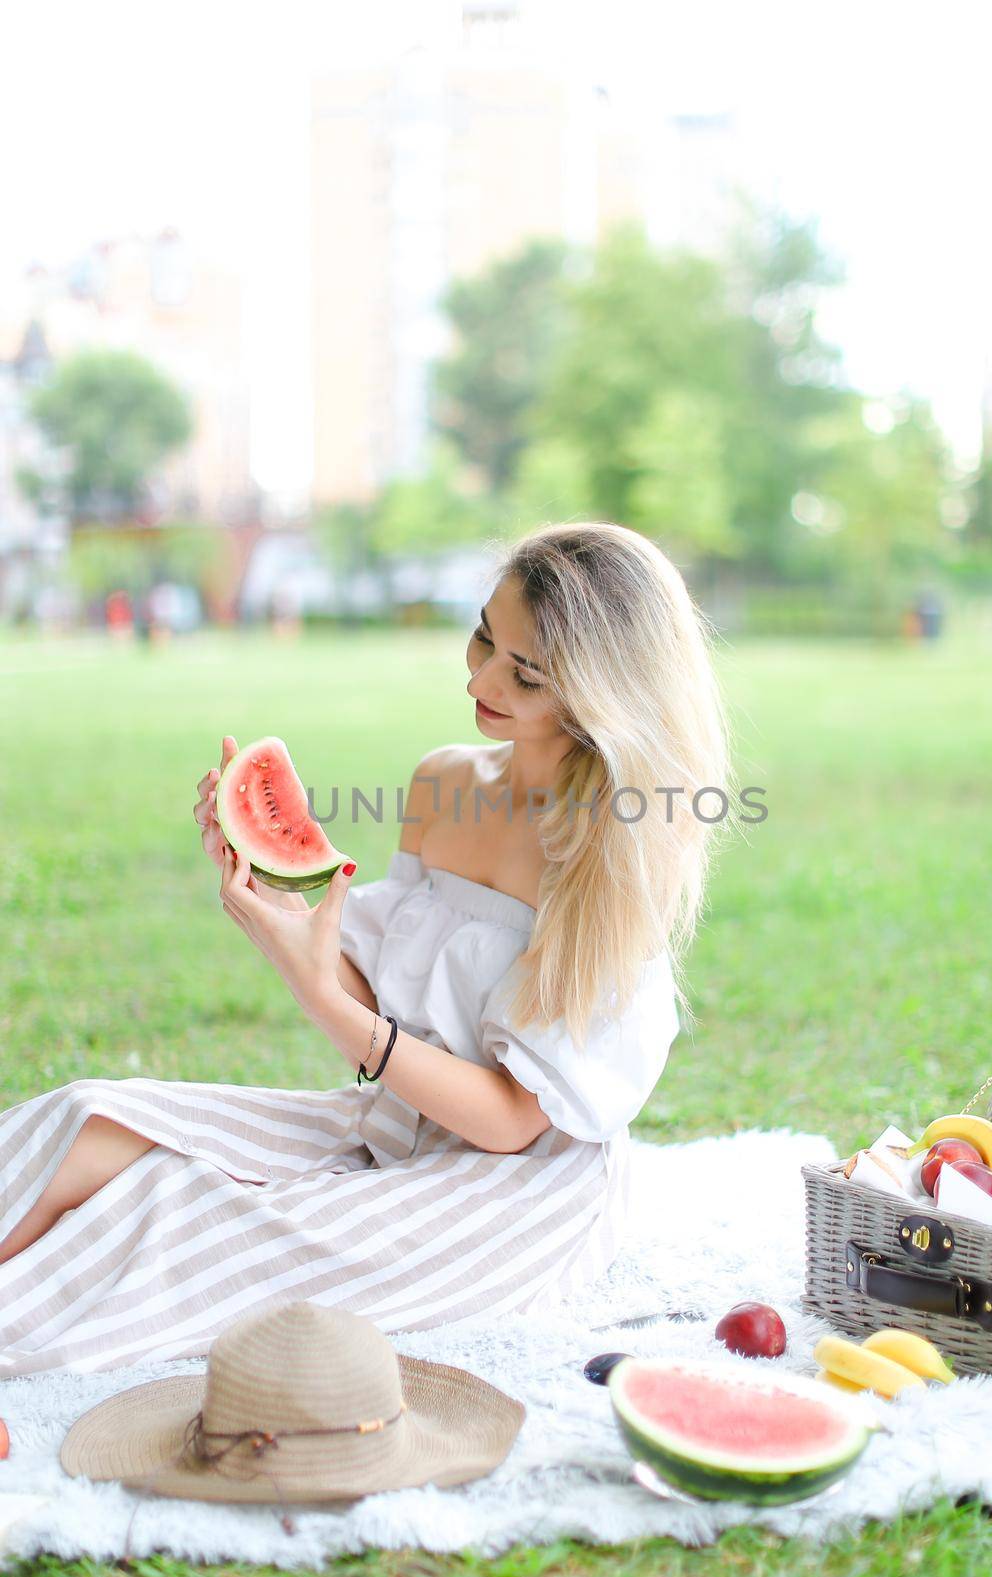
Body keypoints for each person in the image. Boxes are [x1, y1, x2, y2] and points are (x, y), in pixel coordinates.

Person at [0, 523, 734, 1376]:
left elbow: (508, 1120)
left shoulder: (613, 851)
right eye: (483, 637)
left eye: (523, 672)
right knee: (88, 1117)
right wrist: (275, 901)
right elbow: (381, 998)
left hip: (513, 1197)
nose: (479, 677)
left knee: (181, 1215)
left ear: (602, 691)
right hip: (394, 1125)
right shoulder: (444, 782)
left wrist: (326, 1004)